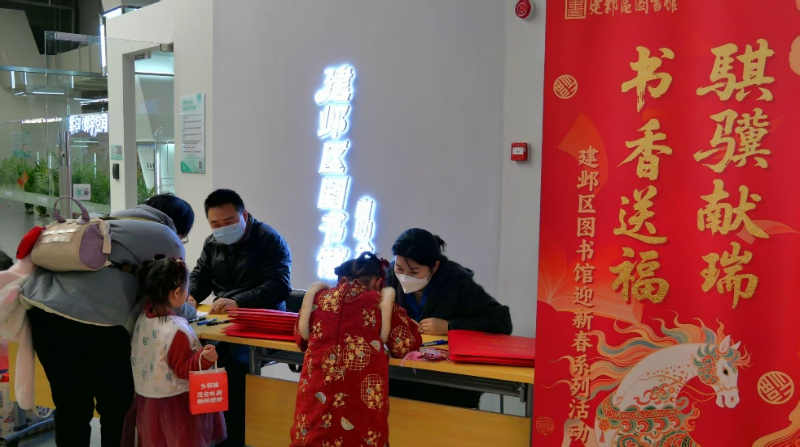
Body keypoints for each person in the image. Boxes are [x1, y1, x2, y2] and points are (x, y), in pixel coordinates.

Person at [20, 194, 196, 447]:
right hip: (99, 324)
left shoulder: (106, 220)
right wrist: (192, 311)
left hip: (42, 313)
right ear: (179, 227)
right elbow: (170, 300)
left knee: (71, 405)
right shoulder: (167, 237)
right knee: (117, 406)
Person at [188, 188, 292, 447]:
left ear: (244, 215)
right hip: (222, 321)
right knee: (191, 355)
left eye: (229, 221)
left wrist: (239, 301)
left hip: (261, 320)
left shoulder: (269, 239)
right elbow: (200, 276)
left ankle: (234, 438)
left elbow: (280, 285)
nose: (222, 229)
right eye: (215, 224)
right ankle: (204, 431)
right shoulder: (212, 243)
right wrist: (189, 296)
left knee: (232, 365)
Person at [290, 252, 422, 447]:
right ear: (378, 283)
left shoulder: (318, 299)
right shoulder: (381, 303)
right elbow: (405, 345)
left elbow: (301, 338)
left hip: (316, 405)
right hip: (359, 407)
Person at [386, 228, 513, 409]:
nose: (404, 276)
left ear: (435, 267)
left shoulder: (456, 280)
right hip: (404, 371)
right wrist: (399, 322)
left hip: (449, 380)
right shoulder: (391, 275)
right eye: (399, 268)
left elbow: (501, 321)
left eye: (414, 272)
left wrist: (449, 326)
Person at [125, 255, 226, 447]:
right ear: (177, 293)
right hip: (175, 405)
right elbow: (183, 369)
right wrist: (204, 358)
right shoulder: (176, 330)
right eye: (187, 289)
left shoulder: (142, 320)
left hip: (149, 402)